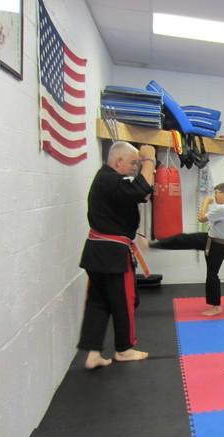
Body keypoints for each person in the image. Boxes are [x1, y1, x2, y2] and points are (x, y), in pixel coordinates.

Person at [77, 141, 156, 369]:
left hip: (96, 251)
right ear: (118, 161)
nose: (134, 167)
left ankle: (93, 353)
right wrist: (148, 159)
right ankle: (124, 349)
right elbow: (140, 190)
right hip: (112, 253)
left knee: (98, 302)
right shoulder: (110, 179)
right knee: (125, 301)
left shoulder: (106, 179)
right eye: (132, 163)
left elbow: (134, 195)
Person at [150, 183, 224, 316]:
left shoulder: (222, 209)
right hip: (212, 240)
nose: (215, 195)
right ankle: (155, 244)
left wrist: (206, 202)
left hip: (216, 245)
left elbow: (201, 218)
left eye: (217, 192)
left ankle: (216, 307)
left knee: (212, 274)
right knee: (184, 239)